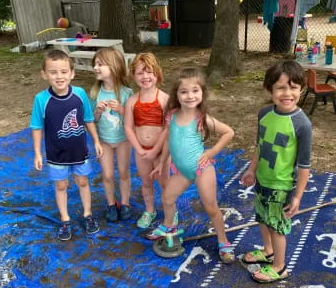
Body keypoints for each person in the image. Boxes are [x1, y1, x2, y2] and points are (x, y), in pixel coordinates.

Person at [149, 67, 236, 264]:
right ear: (176, 95)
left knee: (211, 207)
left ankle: (223, 241)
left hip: (201, 170)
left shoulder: (201, 118)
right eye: (184, 91)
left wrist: (211, 152)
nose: (190, 96)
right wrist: (162, 162)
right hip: (181, 171)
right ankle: (169, 225)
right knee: (167, 197)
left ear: (202, 93)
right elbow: (169, 140)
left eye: (195, 91)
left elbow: (229, 132)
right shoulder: (171, 115)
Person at [240, 60, 312, 283]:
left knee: (277, 225)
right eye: (280, 87)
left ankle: (279, 266)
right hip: (263, 179)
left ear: (301, 89)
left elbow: (304, 165)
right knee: (262, 217)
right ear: (270, 89)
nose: (287, 93)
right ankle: (268, 250)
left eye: (293, 87)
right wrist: (252, 170)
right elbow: (260, 146)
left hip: (281, 186)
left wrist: (297, 196)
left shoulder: (302, 124)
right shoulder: (264, 114)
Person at [30, 49, 103, 241]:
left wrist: (96, 140)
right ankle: (65, 219)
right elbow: (37, 126)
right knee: (61, 185)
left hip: (79, 151)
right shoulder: (41, 99)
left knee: (83, 181)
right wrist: (37, 152)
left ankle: (88, 214)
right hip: (56, 154)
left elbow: (88, 119)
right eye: (53, 72)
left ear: (72, 73)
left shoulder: (79, 94)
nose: (59, 76)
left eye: (63, 71)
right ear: (44, 75)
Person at [124, 52, 170, 229]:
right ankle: (150, 210)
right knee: (146, 182)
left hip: (161, 151)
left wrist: (155, 150)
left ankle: (169, 211)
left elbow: (168, 128)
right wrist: (139, 149)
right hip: (141, 151)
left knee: (165, 183)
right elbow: (128, 128)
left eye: (149, 71)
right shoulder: (131, 101)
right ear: (134, 76)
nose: (145, 76)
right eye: (140, 73)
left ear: (157, 73)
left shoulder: (164, 99)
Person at [89, 48, 133, 222]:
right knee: (107, 175)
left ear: (114, 66)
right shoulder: (94, 93)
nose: (95, 67)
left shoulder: (127, 93)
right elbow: (90, 120)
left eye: (100, 64)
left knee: (123, 172)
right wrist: (98, 112)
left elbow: (133, 120)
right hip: (104, 141)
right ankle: (110, 204)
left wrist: (121, 109)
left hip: (123, 140)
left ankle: (125, 203)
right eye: (95, 64)